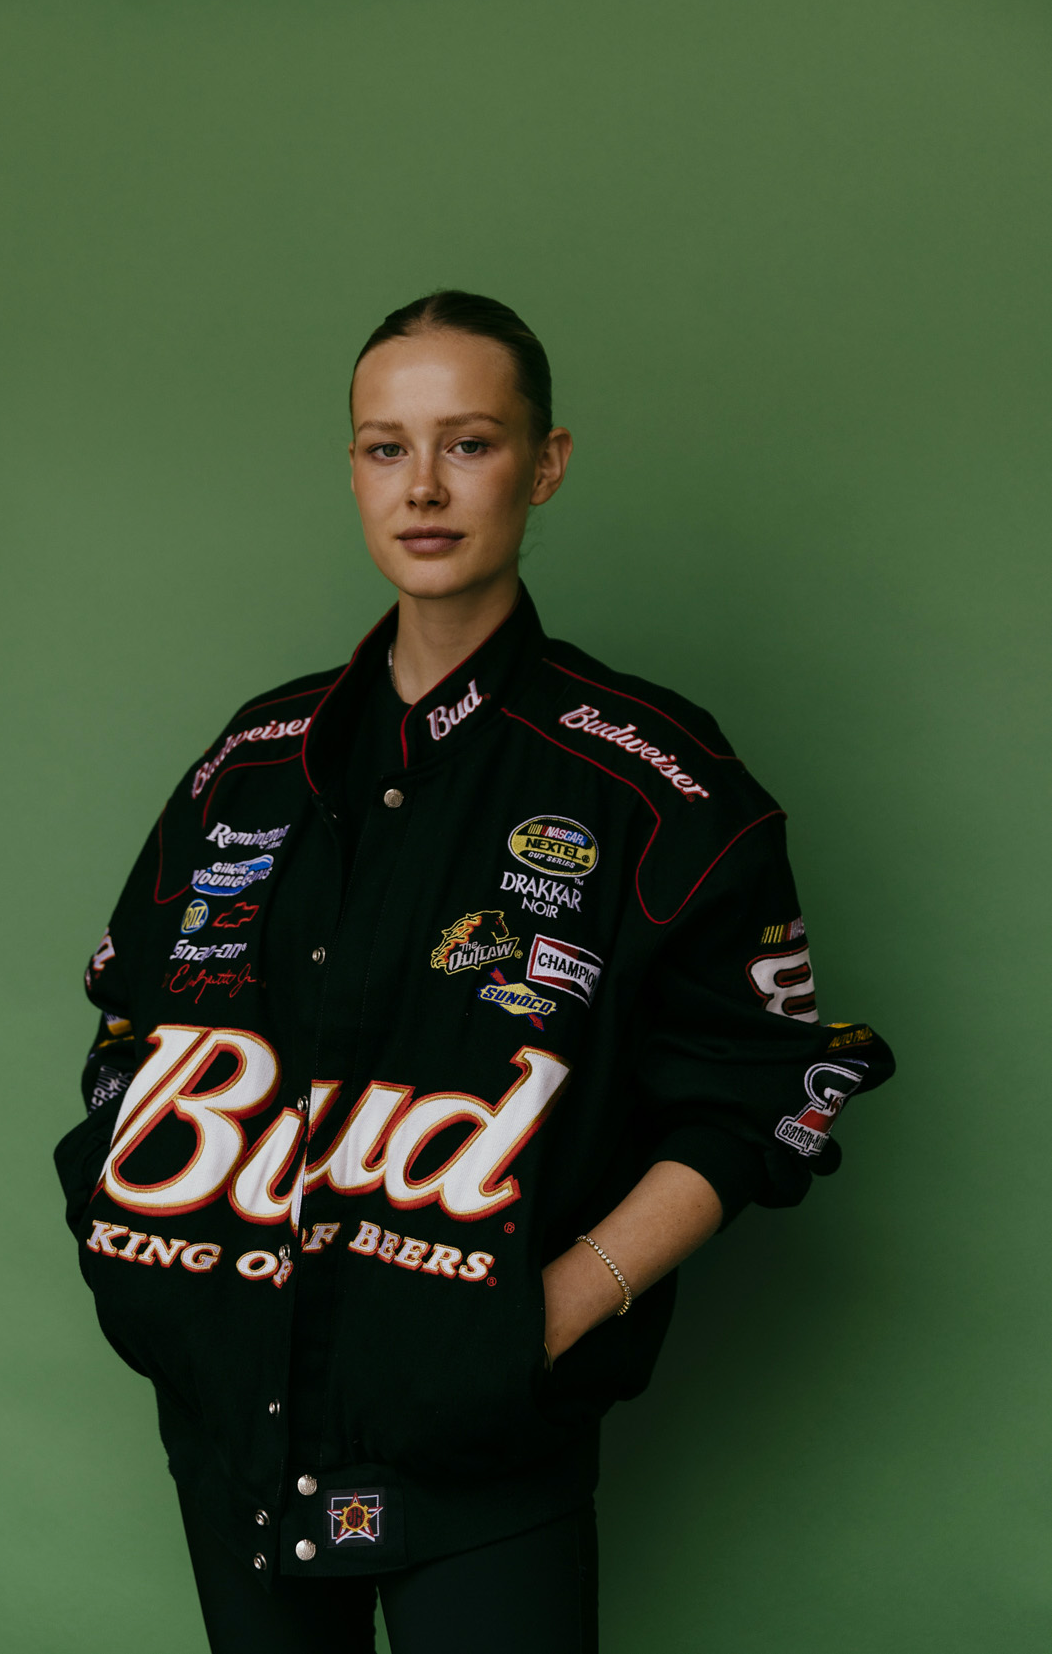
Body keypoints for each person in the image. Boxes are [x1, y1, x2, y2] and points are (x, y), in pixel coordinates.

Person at [55, 290, 895, 1653]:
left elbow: (763, 1095)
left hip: (482, 1457)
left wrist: (545, 1313)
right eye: (386, 447)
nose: (425, 486)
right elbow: (122, 1026)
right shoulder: (251, 758)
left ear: (545, 462)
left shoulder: (649, 777)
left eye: (470, 442)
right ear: (351, 470)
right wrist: (146, 1266)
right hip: (234, 1434)